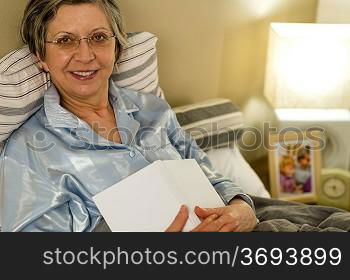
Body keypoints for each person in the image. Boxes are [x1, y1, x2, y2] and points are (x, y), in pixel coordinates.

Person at [0, 0, 257, 232]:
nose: (85, 55)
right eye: (65, 40)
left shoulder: (154, 109)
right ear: (40, 56)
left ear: (116, 48)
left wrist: (241, 207)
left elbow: (208, 173)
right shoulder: (27, 151)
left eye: (98, 37)